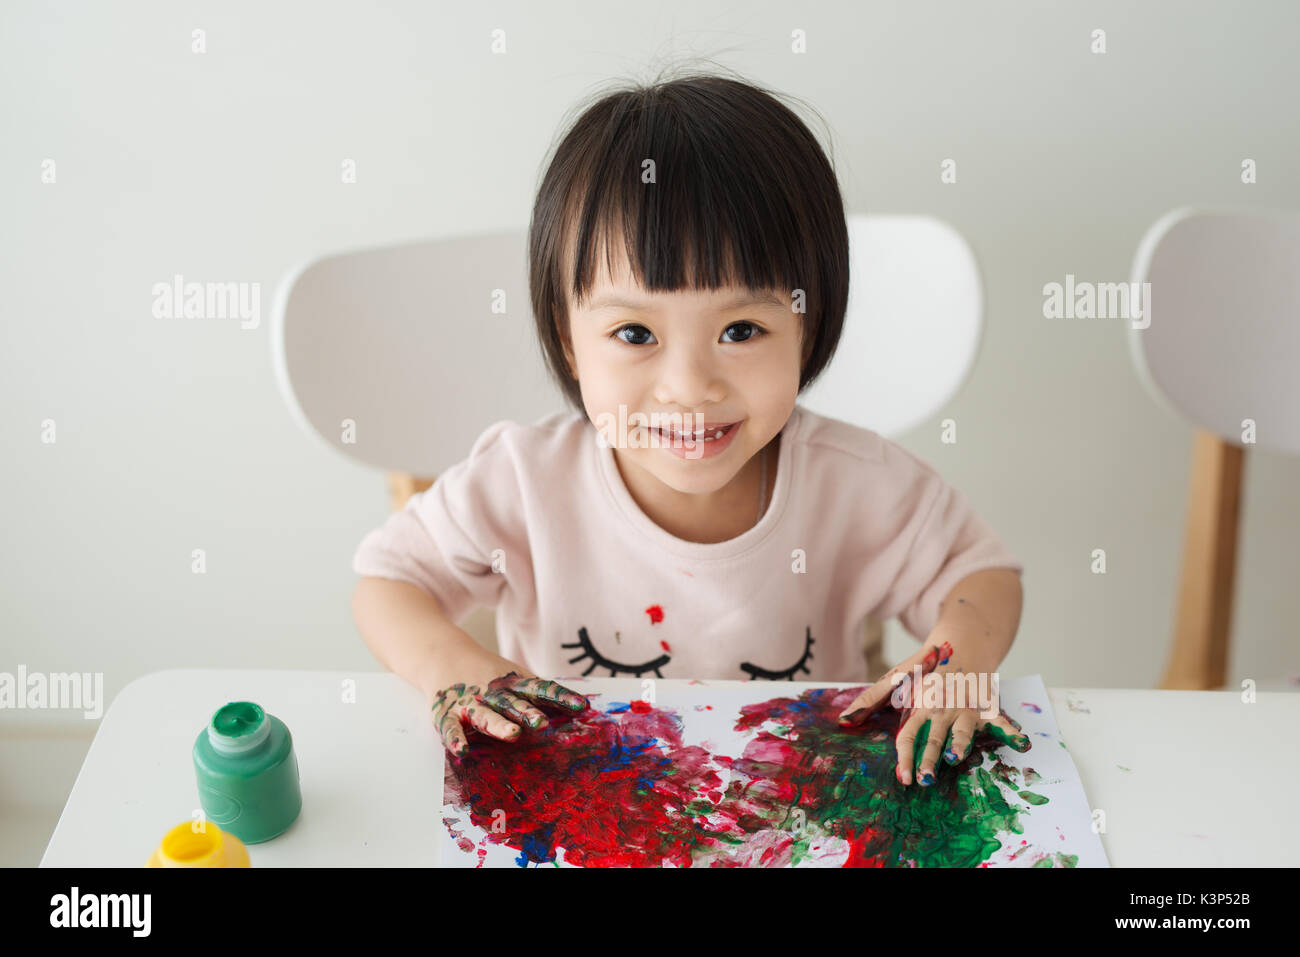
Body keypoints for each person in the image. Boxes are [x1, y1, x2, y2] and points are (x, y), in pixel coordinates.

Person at [351, 68, 1028, 786]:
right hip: (586, 801)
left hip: (798, 808)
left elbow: (981, 576)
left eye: (741, 328)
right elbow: (388, 581)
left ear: (810, 323)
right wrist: (455, 669)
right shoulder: (525, 481)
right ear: (568, 334)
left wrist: (957, 662)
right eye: (635, 332)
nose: (689, 387)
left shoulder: (854, 484)